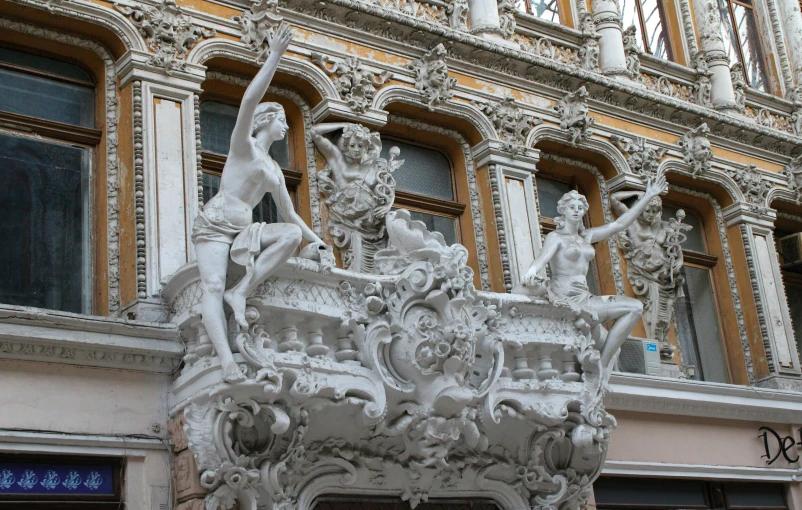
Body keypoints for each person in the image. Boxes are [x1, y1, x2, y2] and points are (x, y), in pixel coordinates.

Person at [192, 23, 326, 383]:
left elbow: (290, 214)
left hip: (243, 228)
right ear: (268, 122)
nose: (286, 128)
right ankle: (226, 362)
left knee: (288, 236)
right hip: (215, 224)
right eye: (283, 121)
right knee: (213, 286)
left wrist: (316, 240)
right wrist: (276, 56)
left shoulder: (274, 170)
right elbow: (249, 100)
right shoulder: (244, 147)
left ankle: (243, 291)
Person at [519, 175, 668, 368]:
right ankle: (600, 366)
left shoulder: (586, 236)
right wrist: (531, 271)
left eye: (580, 208)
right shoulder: (555, 237)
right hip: (565, 297)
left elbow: (619, 224)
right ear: (563, 210)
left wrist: (648, 196)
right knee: (622, 322)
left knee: (633, 311)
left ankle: (601, 366)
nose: (576, 211)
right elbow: (542, 259)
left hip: (585, 298)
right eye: (572, 207)